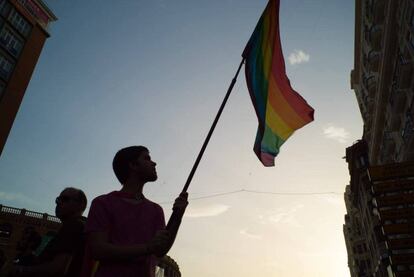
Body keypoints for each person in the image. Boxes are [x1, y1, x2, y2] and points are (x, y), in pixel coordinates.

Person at [83, 145, 188, 277]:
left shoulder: (156, 210)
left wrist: (178, 216)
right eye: (147, 158)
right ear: (133, 165)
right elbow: (98, 250)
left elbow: (160, 250)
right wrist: (147, 248)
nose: (154, 163)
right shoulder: (103, 203)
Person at [9, 187, 87, 277]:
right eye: (58, 200)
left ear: (80, 205)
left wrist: (21, 270)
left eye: (65, 199)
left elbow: (58, 268)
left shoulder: (74, 225)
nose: (59, 203)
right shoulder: (80, 226)